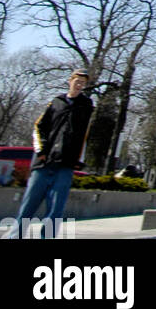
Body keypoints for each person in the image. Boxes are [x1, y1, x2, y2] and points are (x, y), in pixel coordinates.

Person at [12, 69, 93, 237]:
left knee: (56, 208)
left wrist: (79, 159)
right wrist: (41, 150)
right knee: (29, 205)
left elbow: (85, 134)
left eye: (83, 83)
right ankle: (16, 235)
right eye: (77, 81)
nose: (79, 85)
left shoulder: (86, 106)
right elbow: (39, 126)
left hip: (65, 164)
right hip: (44, 161)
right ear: (70, 81)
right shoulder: (56, 102)